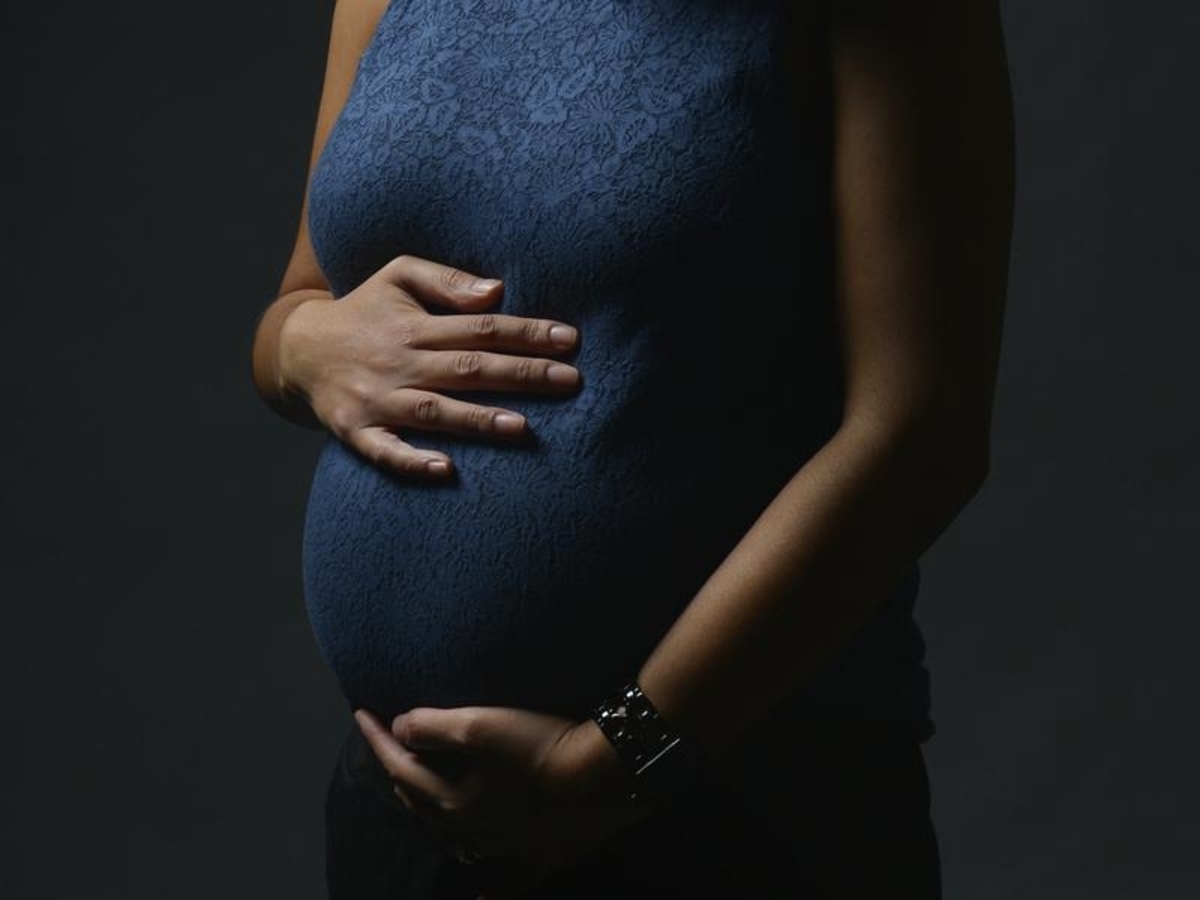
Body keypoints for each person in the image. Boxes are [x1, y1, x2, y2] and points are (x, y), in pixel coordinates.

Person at [250, 1, 1014, 897]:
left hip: (730, 801)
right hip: (406, 809)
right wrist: (299, 347)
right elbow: (301, 302)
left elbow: (918, 435)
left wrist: (614, 759)